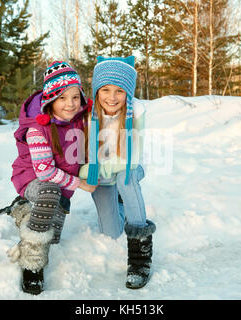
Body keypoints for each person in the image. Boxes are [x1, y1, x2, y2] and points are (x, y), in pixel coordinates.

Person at [7, 61, 95, 295]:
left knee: (53, 237)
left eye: (75, 97)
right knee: (49, 194)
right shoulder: (38, 128)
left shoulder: (79, 120)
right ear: (50, 100)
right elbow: (45, 172)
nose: (70, 104)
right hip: (32, 178)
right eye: (63, 98)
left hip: (61, 185)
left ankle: (25, 210)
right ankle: (31, 262)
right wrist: (80, 184)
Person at [79, 56, 156, 289]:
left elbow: (128, 159)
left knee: (127, 179)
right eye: (105, 90)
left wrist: (98, 169)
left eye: (119, 91)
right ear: (97, 90)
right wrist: (87, 172)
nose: (112, 97)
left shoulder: (136, 113)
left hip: (128, 167)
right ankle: (121, 204)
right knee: (111, 232)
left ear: (128, 93)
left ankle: (140, 258)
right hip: (103, 173)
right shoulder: (88, 115)